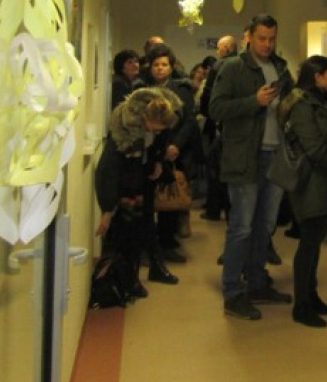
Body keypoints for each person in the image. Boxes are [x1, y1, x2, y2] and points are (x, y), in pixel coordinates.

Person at [208, 14, 295, 320]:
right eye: (262, 38)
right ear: (249, 38)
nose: (267, 44)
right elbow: (216, 108)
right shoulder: (233, 67)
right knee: (242, 227)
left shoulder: (281, 68)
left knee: (265, 226)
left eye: (272, 38)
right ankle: (233, 291)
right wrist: (253, 102)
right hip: (245, 157)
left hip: (275, 155)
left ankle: (257, 282)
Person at [277, 56, 327, 327]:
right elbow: (314, 146)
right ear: (317, 76)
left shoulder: (321, 101)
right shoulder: (301, 104)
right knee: (309, 242)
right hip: (310, 179)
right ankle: (302, 305)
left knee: (316, 239)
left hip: (323, 177)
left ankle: (311, 296)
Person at [94, 87, 183, 295]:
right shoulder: (124, 131)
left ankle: (141, 275)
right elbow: (108, 171)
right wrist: (107, 210)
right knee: (127, 231)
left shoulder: (162, 115)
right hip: (127, 182)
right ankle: (128, 280)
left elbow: (160, 141)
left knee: (145, 224)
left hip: (143, 177)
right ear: (145, 118)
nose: (158, 132)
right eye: (155, 129)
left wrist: (158, 161)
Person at [143, 45, 202, 258]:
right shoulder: (143, 89)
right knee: (148, 199)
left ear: (171, 67)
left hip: (174, 150)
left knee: (170, 196)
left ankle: (167, 243)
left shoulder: (181, 88)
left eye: (164, 65)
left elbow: (189, 121)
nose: (160, 68)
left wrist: (176, 144)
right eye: (156, 65)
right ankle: (149, 244)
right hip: (149, 149)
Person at [200, 35, 239, 222]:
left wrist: (208, 114)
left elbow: (208, 96)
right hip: (237, 123)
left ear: (226, 49)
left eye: (219, 48)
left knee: (215, 168)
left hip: (220, 124)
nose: (217, 51)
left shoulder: (219, 66)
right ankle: (231, 210)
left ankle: (214, 208)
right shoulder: (243, 65)